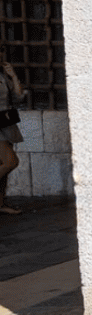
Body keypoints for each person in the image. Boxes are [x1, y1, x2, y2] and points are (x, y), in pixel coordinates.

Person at [0, 54, 23, 215]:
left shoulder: (3, 74)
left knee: (4, 167)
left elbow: (18, 97)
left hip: (5, 123)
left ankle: (0, 203)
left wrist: (13, 76)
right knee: (10, 162)